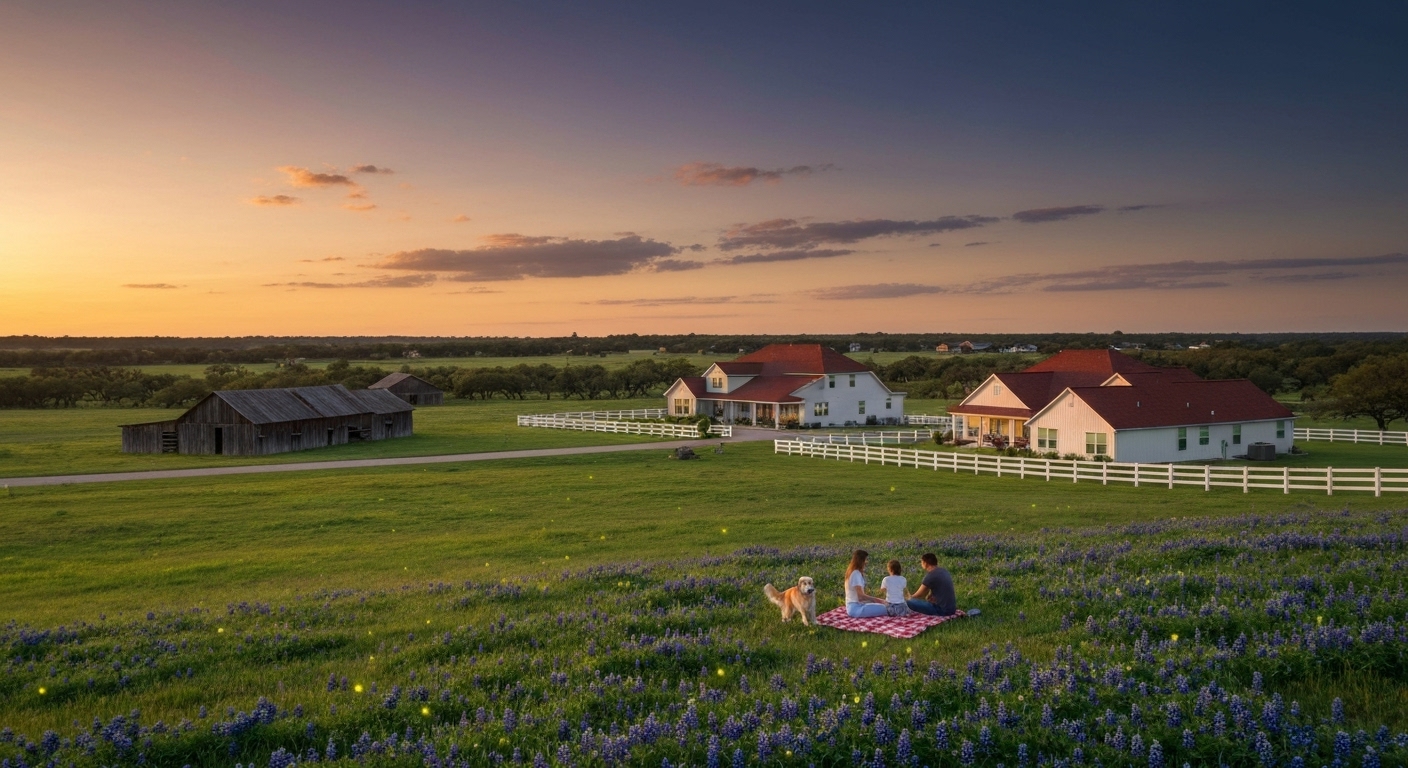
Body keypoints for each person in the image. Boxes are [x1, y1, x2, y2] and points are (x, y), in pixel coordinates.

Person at [905, 552, 957, 617]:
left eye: (921, 562)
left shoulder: (931, 575)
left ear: (925, 563)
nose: (921, 564)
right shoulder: (944, 571)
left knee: (908, 602)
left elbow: (919, 594)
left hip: (941, 611)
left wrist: (908, 598)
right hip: (952, 609)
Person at [843, 549, 889, 618]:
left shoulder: (851, 572)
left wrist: (874, 601)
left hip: (854, 606)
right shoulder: (856, 574)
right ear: (861, 561)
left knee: (881, 606)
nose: (866, 562)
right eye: (865, 560)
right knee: (887, 608)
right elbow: (860, 596)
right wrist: (877, 600)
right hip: (856, 608)